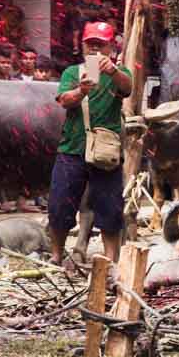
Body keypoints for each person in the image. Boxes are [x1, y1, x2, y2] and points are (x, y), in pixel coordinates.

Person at [49, 22, 133, 265]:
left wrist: (113, 71)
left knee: (110, 207)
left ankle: (110, 260)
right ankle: (56, 255)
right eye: (91, 44)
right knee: (59, 204)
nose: (95, 48)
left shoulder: (121, 73)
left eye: (101, 44)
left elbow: (127, 88)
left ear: (110, 47)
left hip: (105, 151)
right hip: (72, 148)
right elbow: (64, 100)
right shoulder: (71, 73)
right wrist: (81, 91)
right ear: (83, 46)